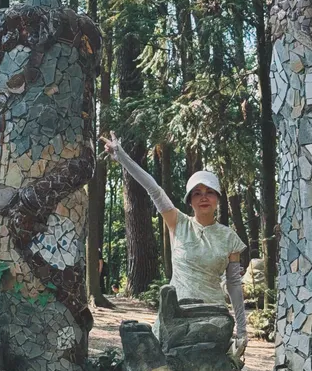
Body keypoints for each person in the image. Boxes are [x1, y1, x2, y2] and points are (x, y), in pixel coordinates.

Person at [101, 132, 248, 355]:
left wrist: (242, 330)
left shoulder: (229, 238)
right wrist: (121, 157)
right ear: (190, 200)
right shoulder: (177, 222)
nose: (204, 197)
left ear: (218, 198)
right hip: (176, 312)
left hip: (214, 316)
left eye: (209, 192)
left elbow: (234, 285)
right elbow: (154, 189)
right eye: (197, 193)